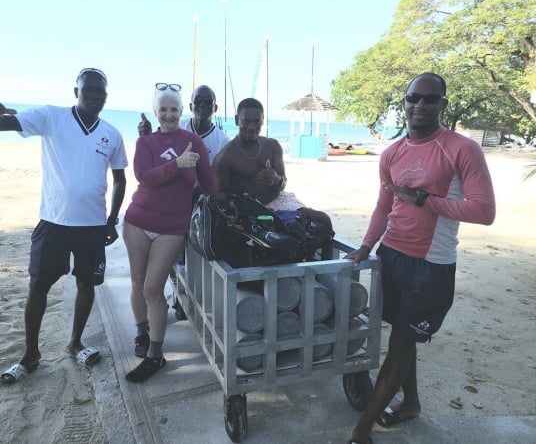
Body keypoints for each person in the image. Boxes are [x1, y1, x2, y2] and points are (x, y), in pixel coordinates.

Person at [344, 72, 496, 444]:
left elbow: (484, 211)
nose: (420, 105)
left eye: (430, 98)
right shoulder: (392, 153)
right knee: (403, 336)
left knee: (399, 344)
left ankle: (362, 428)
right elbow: (384, 206)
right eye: (414, 98)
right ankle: (410, 403)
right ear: (405, 102)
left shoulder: (461, 149)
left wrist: (424, 200)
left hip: (431, 265)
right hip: (391, 256)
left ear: (443, 103)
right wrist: (366, 246)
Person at [0, 68, 128, 384]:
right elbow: (2, 123)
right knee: (38, 288)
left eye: (100, 91)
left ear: (106, 96)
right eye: (88, 90)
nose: (94, 95)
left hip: (92, 226)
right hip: (53, 223)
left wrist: (111, 220)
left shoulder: (112, 134)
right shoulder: (51, 117)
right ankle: (30, 354)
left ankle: (76, 343)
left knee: (86, 284)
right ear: (76, 92)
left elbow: (120, 180)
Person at [122, 83, 217, 382]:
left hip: (172, 227)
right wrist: (177, 164)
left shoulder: (192, 142)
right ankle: (142, 333)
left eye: (173, 109)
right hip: (137, 221)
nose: (168, 114)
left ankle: (155, 355)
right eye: (163, 109)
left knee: (153, 288)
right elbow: (144, 177)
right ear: (155, 112)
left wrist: (222, 208)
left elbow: (209, 182)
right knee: (138, 283)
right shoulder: (146, 142)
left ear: (182, 111)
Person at [212, 97, 333, 232]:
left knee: (323, 220)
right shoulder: (225, 157)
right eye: (246, 121)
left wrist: (276, 179)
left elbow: (283, 183)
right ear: (237, 120)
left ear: (263, 120)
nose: (251, 127)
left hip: (279, 201)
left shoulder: (272, 146)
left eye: (257, 121)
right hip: (248, 211)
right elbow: (221, 198)